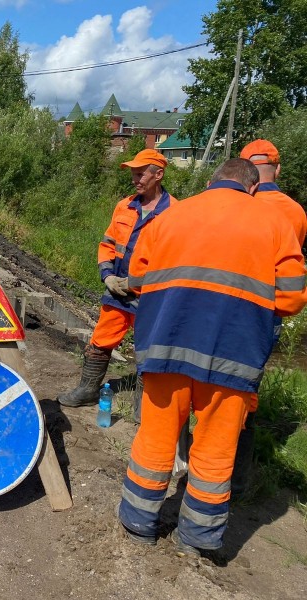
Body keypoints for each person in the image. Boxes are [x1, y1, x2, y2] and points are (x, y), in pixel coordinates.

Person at [117, 158, 307, 557]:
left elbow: (136, 280)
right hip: (232, 356)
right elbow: (291, 298)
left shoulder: (171, 216)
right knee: (215, 449)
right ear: (253, 188)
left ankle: (138, 523)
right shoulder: (275, 224)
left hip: (166, 348)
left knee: (155, 438)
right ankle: (197, 539)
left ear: (210, 182)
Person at [58, 149, 176, 423]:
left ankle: (144, 411)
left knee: (149, 350)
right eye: (133, 174)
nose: (135, 179)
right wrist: (108, 275)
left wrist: (143, 282)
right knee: (101, 340)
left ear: (158, 174)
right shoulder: (124, 206)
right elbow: (108, 244)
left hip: (152, 296)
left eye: (140, 173)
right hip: (117, 293)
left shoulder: (176, 213)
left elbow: (175, 260)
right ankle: (88, 390)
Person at [230, 139, 307, 496]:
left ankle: (195, 458)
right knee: (246, 389)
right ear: (277, 169)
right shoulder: (294, 212)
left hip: (222, 308)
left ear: (243, 169)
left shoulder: (235, 205)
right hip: (265, 316)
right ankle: (238, 479)